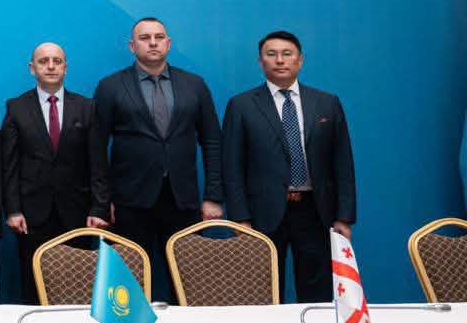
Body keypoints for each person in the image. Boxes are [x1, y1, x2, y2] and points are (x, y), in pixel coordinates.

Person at [221, 30, 356, 302]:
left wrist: (344, 216)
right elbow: (232, 166)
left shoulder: (326, 103)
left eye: (287, 54)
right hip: (263, 213)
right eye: (271, 54)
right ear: (260, 61)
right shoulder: (242, 105)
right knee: (264, 290)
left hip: (315, 211)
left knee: (317, 290)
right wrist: (240, 218)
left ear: (300, 60)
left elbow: (342, 163)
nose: (280, 60)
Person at [93, 17, 222, 302]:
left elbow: (212, 142)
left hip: (182, 200)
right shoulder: (110, 86)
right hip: (129, 202)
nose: (153, 43)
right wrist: (102, 201)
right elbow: (96, 148)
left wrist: (213, 196)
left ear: (169, 43)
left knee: (188, 283)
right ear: (132, 46)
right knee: (129, 288)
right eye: (145, 38)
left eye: (159, 37)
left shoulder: (194, 85)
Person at [2, 42, 109, 305]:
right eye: (43, 61)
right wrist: (13, 210)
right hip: (32, 216)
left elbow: (98, 163)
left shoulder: (86, 107)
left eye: (57, 61)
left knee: (78, 289)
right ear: (32, 68)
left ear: (65, 67)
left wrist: (99, 208)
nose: (50, 66)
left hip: (78, 213)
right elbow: (9, 165)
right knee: (34, 288)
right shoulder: (16, 107)